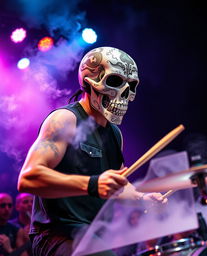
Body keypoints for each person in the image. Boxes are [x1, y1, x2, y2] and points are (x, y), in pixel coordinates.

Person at [17, 46, 167, 256]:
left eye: (131, 86)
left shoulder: (115, 133)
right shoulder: (65, 120)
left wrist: (142, 198)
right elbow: (29, 178)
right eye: (114, 82)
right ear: (89, 82)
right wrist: (93, 184)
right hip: (57, 234)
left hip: (91, 234)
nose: (125, 94)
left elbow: (117, 186)